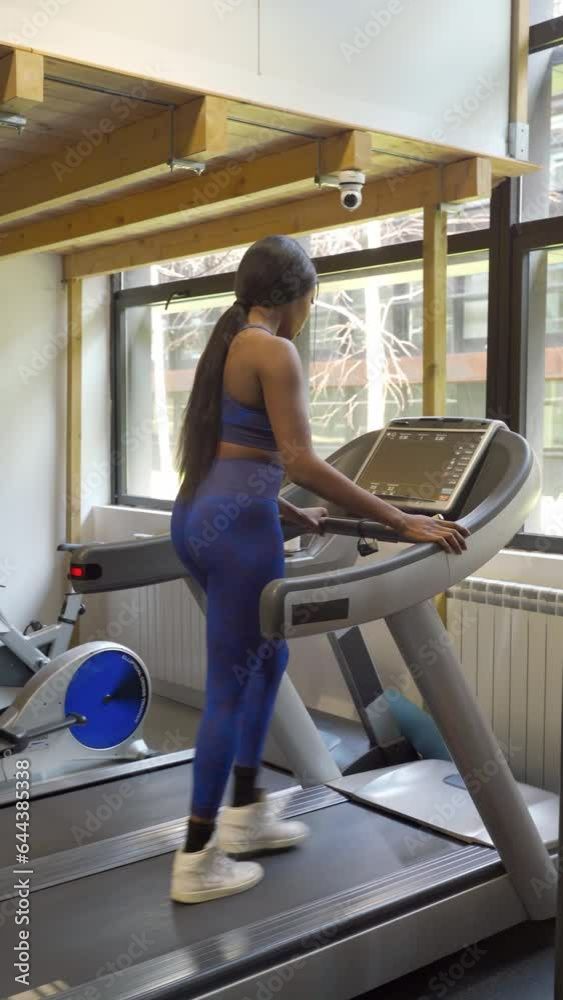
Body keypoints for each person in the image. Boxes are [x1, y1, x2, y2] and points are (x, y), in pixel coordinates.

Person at [169, 234, 469, 904]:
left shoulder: (225, 344)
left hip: (200, 513)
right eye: (311, 299)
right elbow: (301, 458)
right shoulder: (273, 350)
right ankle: (196, 857)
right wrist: (399, 519)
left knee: (264, 663)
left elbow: (234, 450)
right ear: (295, 297)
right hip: (237, 532)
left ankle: (245, 812)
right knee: (227, 686)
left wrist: (281, 507)